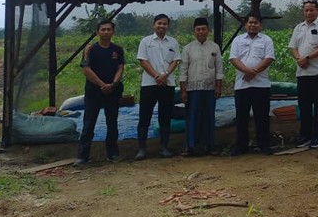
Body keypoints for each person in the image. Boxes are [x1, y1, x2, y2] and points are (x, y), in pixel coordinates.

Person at [76, 18, 125, 166]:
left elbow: (120, 67)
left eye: (109, 29)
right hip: (94, 91)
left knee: (112, 122)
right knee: (89, 123)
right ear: (97, 32)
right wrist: (102, 85)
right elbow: (86, 69)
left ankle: (113, 154)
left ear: (113, 32)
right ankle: (82, 156)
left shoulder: (118, 50)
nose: (106, 32)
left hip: (113, 91)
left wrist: (113, 84)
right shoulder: (90, 49)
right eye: (103, 29)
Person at [288, 0, 318, 148]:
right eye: (306, 10)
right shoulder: (298, 28)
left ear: (317, 11)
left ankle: (317, 136)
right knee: (304, 106)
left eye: (311, 10)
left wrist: (307, 58)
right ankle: (305, 135)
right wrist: (299, 59)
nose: (308, 13)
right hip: (302, 73)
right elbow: (293, 47)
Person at [135, 14, 181, 160]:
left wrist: (165, 75)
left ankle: (164, 148)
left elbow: (175, 61)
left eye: (165, 24)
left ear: (168, 26)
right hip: (149, 84)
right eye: (159, 23)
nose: (162, 26)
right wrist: (157, 76)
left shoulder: (173, 42)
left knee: (165, 116)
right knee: (145, 115)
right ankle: (142, 149)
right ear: (154, 25)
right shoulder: (145, 41)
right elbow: (143, 61)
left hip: (167, 83)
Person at [228, 13, 275, 156]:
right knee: (242, 117)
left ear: (260, 25)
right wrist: (247, 71)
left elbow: (268, 58)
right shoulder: (238, 40)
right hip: (242, 85)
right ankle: (241, 146)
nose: (252, 25)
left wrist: (253, 72)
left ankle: (264, 145)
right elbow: (234, 58)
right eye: (250, 22)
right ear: (245, 24)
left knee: (262, 116)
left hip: (261, 85)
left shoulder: (266, 40)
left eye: (255, 23)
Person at [179, 17, 224, 156]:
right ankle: (191, 146)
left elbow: (219, 69)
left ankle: (210, 146)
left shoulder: (215, 47)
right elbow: (183, 71)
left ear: (208, 31)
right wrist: (183, 91)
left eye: (203, 29)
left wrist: (218, 87)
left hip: (210, 88)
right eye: (198, 29)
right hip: (193, 89)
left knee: (209, 116)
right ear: (194, 31)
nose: (201, 32)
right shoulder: (188, 48)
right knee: (192, 117)